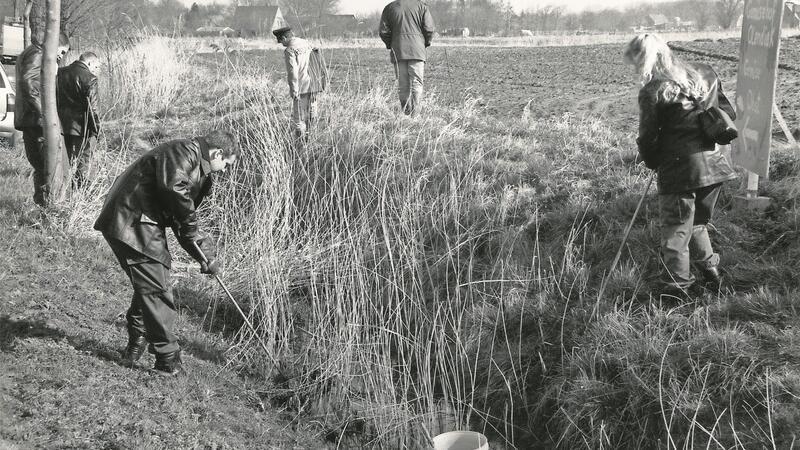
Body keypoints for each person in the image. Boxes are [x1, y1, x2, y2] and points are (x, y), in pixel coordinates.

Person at [93, 131, 239, 375]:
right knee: (157, 288)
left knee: (151, 282)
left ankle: (136, 345)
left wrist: (205, 256)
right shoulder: (183, 152)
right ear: (218, 153)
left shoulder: (200, 173)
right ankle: (167, 360)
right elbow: (174, 190)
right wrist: (193, 233)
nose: (224, 170)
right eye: (226, 163)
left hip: (141, 223)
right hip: (130, 219)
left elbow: (182, 222)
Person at [624, 33, 737, 295]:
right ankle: (713, 277)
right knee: (697, 223)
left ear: (642, 60)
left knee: (676, 232)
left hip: (680, 169)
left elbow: (648, 138)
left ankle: (678, 293)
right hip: (717, 164)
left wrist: (653, 162)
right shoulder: (706, 73)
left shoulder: (652, 90)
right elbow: (729, 114)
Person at [15, 31, 71, 206]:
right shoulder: (38, 53)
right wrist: (45, 115)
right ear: (53, 45)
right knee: (53, 166)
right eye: (61, 52)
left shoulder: (31, 51)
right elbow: (29, 84)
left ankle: (44, 205)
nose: (61, 57)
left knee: (41, 166)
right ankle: (53, 205)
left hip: (30, 119)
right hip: (37, 121)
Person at [379, 0, 435, 115]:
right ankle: (415, 115)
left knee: (403, 85)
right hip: (417, 51)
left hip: (398, 51)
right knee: (417, 83)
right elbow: (429, 29)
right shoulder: (422, 7)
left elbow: (383, 31)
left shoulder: (389, 8)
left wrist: (391, 44)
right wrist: (425, 43)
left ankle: (406, 114)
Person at [57, 51, 101, 188]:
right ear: (89, 63)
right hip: (82, 127)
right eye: (95, 67)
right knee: (84, 159)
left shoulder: (59, 73)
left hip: (60, 125)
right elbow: (93, 110)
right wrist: (97, 130)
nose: (95, 70)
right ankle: (82, 190)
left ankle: (63, 190)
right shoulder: (90, 78)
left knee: (65, 161)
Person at [273, 27, 325, 141]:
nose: (282, 44)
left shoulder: (290, 50)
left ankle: (300, 143)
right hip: (314, 84)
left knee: (299, 119)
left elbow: (293, 72)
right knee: (312, 112)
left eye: (281, 41)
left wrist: (294, 90)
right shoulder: (307, 43)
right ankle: (312, 138)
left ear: (284, 37)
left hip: (301, 86)